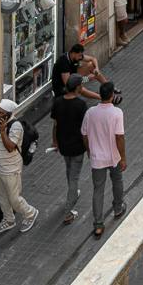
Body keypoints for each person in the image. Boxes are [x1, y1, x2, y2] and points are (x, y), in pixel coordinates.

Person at [0, 97, 38, 234]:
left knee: (14, 199)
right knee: (2, 196)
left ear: (8, 114)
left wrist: (2, 131)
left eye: (0, 112)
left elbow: (10, 147)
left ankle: (30, 213)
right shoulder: (1, 118)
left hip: (11, 170)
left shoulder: (15, 126)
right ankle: (8, 220)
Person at [82, 80, 127, 238]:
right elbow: (119, 137)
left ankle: (98, 224)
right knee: (117, 182)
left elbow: (85, 135)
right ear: (112, 96)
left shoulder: (90, 113)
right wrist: (123, 158)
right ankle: (118, 208)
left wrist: (89, 151)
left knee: (98, 190)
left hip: (97, 159)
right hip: (113, 156)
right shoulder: (116, 113)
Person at [50, 72, 92, 224]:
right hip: (77, 147)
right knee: (74, 176)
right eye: (81, 85)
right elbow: (85, 131)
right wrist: (88, 149)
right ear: (78, 87)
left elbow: (55, 125)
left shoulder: (58, 102)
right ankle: (68, 211)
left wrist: (54, 142)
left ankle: (72, 193)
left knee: (69, 170)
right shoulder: (81, 105)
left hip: (64, 145)